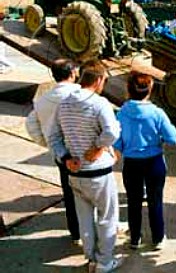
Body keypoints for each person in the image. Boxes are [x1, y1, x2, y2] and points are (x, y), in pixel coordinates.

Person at [48, 60, 122, 273]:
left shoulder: (64, 103)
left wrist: (65, 158)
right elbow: (112, 132)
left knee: (85, 218)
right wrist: (99, 146)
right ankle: (105, 261)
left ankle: (91, 258)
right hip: (98, 172)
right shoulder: (99, 104)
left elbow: (53, 137)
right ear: (98, 80)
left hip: (75, 171)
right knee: (107, 217)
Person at [114, 72, 176, 250]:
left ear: (128, 90)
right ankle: (158, 237)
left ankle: (135, 238)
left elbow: (116, 142)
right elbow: (173, 138)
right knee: (155, 200)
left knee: (133, 201)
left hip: (131, 163)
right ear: (150, 90)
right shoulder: (157, 113)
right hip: (154, 161)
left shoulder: (121, 113)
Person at [25, 59, 81, 244]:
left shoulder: (43, 100)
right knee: (93, 195)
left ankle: (76, 233)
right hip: (85, 153)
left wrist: (48, 143)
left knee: (69, 193)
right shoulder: (81, 95)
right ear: (72, 73)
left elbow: (31, 124)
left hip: (62, 155)